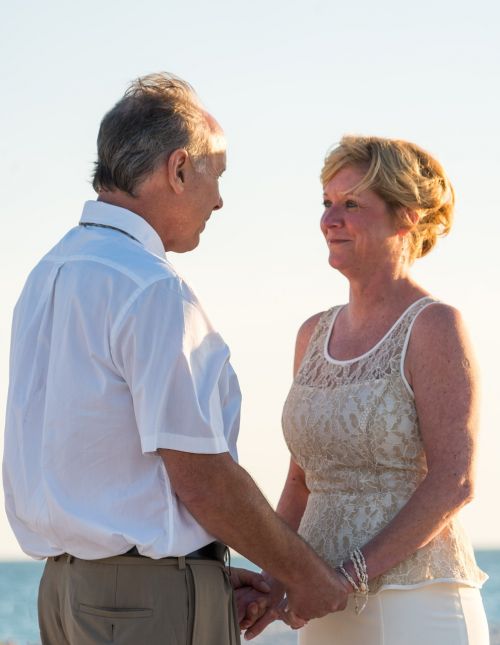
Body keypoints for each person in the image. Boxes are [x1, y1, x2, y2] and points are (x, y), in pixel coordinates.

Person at [2, 72, 352, 645]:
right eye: (217, 173)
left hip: (65, 599)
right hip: (144, 606)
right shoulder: (150, 288)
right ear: (180, 168)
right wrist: (304, 574)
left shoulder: (47, 275)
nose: (219, 198)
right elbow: (203, 477)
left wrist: (203, 576)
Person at [245, 135, 490, 644]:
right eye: (327, 203)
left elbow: (454, 481)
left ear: (408, 217)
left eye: (352, 204)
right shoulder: (312, 335)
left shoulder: (435, 327)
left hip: (416, 605)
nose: (329, 220)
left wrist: (346, 577)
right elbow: (300, 483)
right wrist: (271, 580)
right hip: (321, 606)